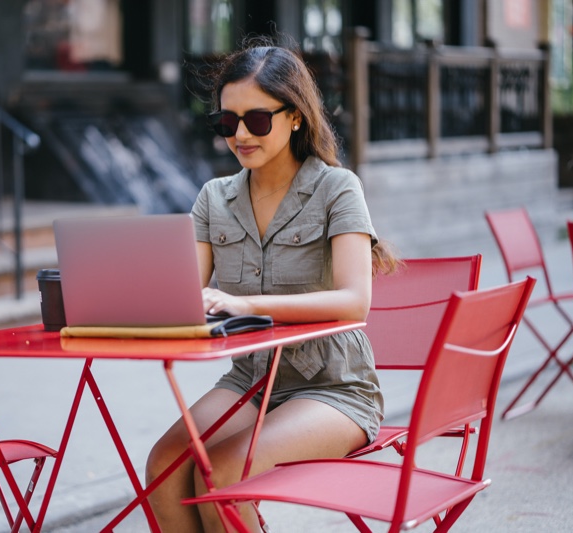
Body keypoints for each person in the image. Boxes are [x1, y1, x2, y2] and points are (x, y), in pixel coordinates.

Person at [145, 36, 399, 532]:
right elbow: (187, 301)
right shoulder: (213, 197)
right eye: (226, 122)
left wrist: (242, 301)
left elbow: (354, 303)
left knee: (220, 472)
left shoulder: (336, 188)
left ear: (295, 116)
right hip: (250, 382)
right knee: (164, 468)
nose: (240, 134)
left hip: (333, 389)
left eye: (257, 120)